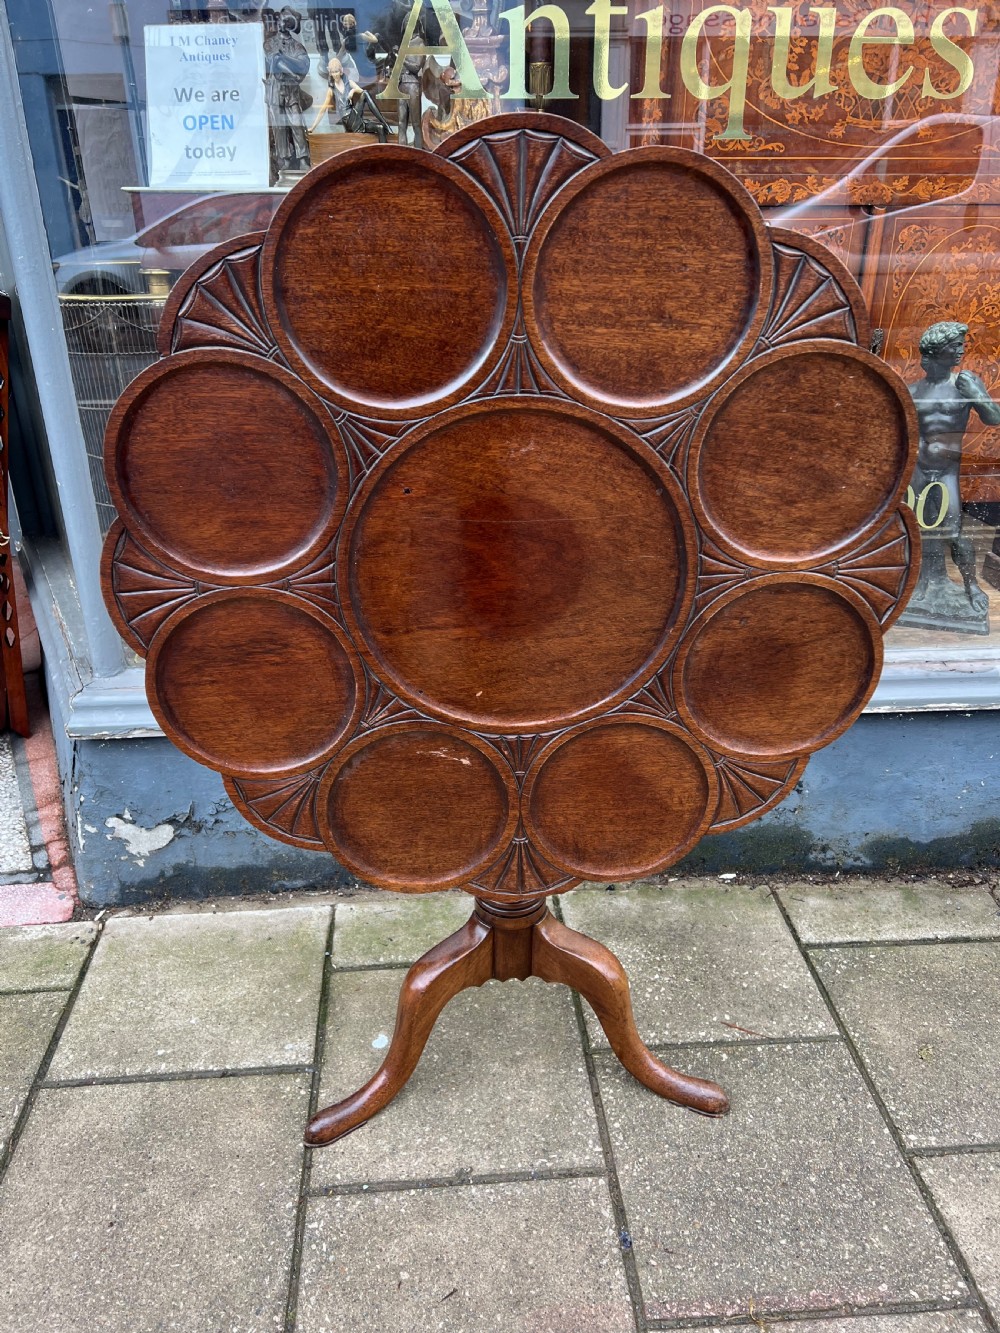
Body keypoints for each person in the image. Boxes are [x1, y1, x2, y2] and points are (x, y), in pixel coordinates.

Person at [908, 320, 1000, 615]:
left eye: (962, 344)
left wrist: (976, 393)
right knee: (913, 528)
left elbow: (994, 418)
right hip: (918, 470)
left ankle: (971, 585)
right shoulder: (912, 390)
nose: (961, 350)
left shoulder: (965, 383)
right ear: (937, 350)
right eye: (955, 345)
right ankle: (915, 583)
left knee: (954, 530)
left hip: (947, 469)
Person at [264, 7, 312, 180]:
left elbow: (304, 66)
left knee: (297, 124)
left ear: (291, 24)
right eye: (281, 19)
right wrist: (290, 65)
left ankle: (303, 158)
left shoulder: (297, 46)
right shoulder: (270, 43)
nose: (283, 23)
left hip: (291, 90)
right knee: (279, 127)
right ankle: (283, 159)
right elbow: (273, 61)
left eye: (287, 20)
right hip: (275, 89)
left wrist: (284, 59)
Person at [310, 55, 364, 131]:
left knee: (366, 95)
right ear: (330, 73)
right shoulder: (331, 90)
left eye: (336, 71)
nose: (335, 74)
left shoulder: (348, 82)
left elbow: (362, 91)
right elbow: (323, 109)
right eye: (333, 72)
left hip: (353, 115)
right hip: (346, 118)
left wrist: (353, 91)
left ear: (340, 71)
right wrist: (313, 128)